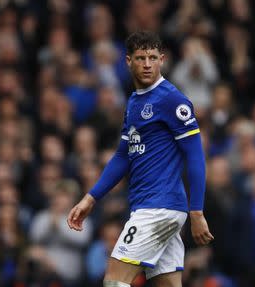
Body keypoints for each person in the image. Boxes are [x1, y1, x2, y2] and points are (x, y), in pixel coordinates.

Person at [67, 31, 214, 287]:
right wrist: (90, 198)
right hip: (157, 208)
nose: (147, 64)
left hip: (157, 208)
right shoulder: (135, 102)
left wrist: (197, 211)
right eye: (141, 58)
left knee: (114, 279)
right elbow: (123, 156)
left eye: (153, 58)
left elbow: (195, 156)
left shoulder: (172, 100)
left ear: (162, 60)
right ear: (128, 61)